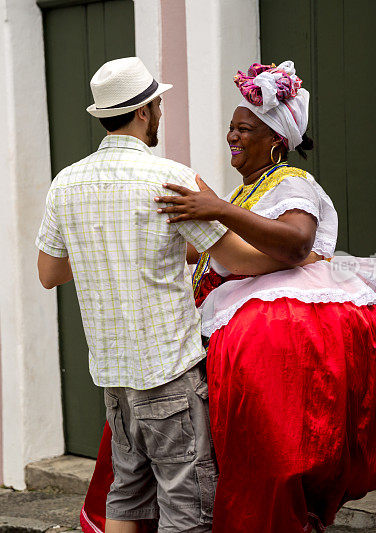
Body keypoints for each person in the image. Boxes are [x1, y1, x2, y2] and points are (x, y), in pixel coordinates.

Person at [80, 61, 376, 533]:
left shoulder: (292, 183)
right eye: (231, 129)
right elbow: (211, 250)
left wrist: (218, 209)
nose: (232, 138)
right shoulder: (243, 192)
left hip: (269, 331)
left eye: (244, 129)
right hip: (221, 321)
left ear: (276, 140)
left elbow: (297, 242)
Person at [36, 57, 304, 533]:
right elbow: (235, 261)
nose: (159, 112)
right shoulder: (170, 178)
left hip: (113, 374)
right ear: (145, 111)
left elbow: (50, 273)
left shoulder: (66, 183)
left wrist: (111, 252)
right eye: (157, 104)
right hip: (168, 371)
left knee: (127, 493)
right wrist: (298, 259)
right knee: (188, 507)